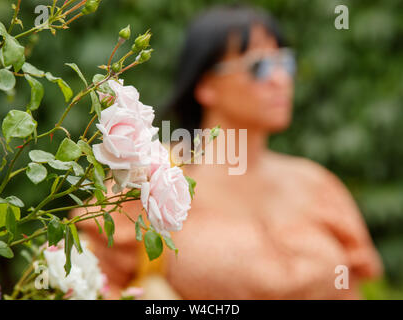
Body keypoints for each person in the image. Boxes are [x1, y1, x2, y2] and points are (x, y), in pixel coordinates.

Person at [73, 4, 383, 299]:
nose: (281, 79)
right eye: (259, 66)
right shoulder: (148, 176)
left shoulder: (318, 183)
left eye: (284, 62)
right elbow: (84, 284)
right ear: (205, 85)